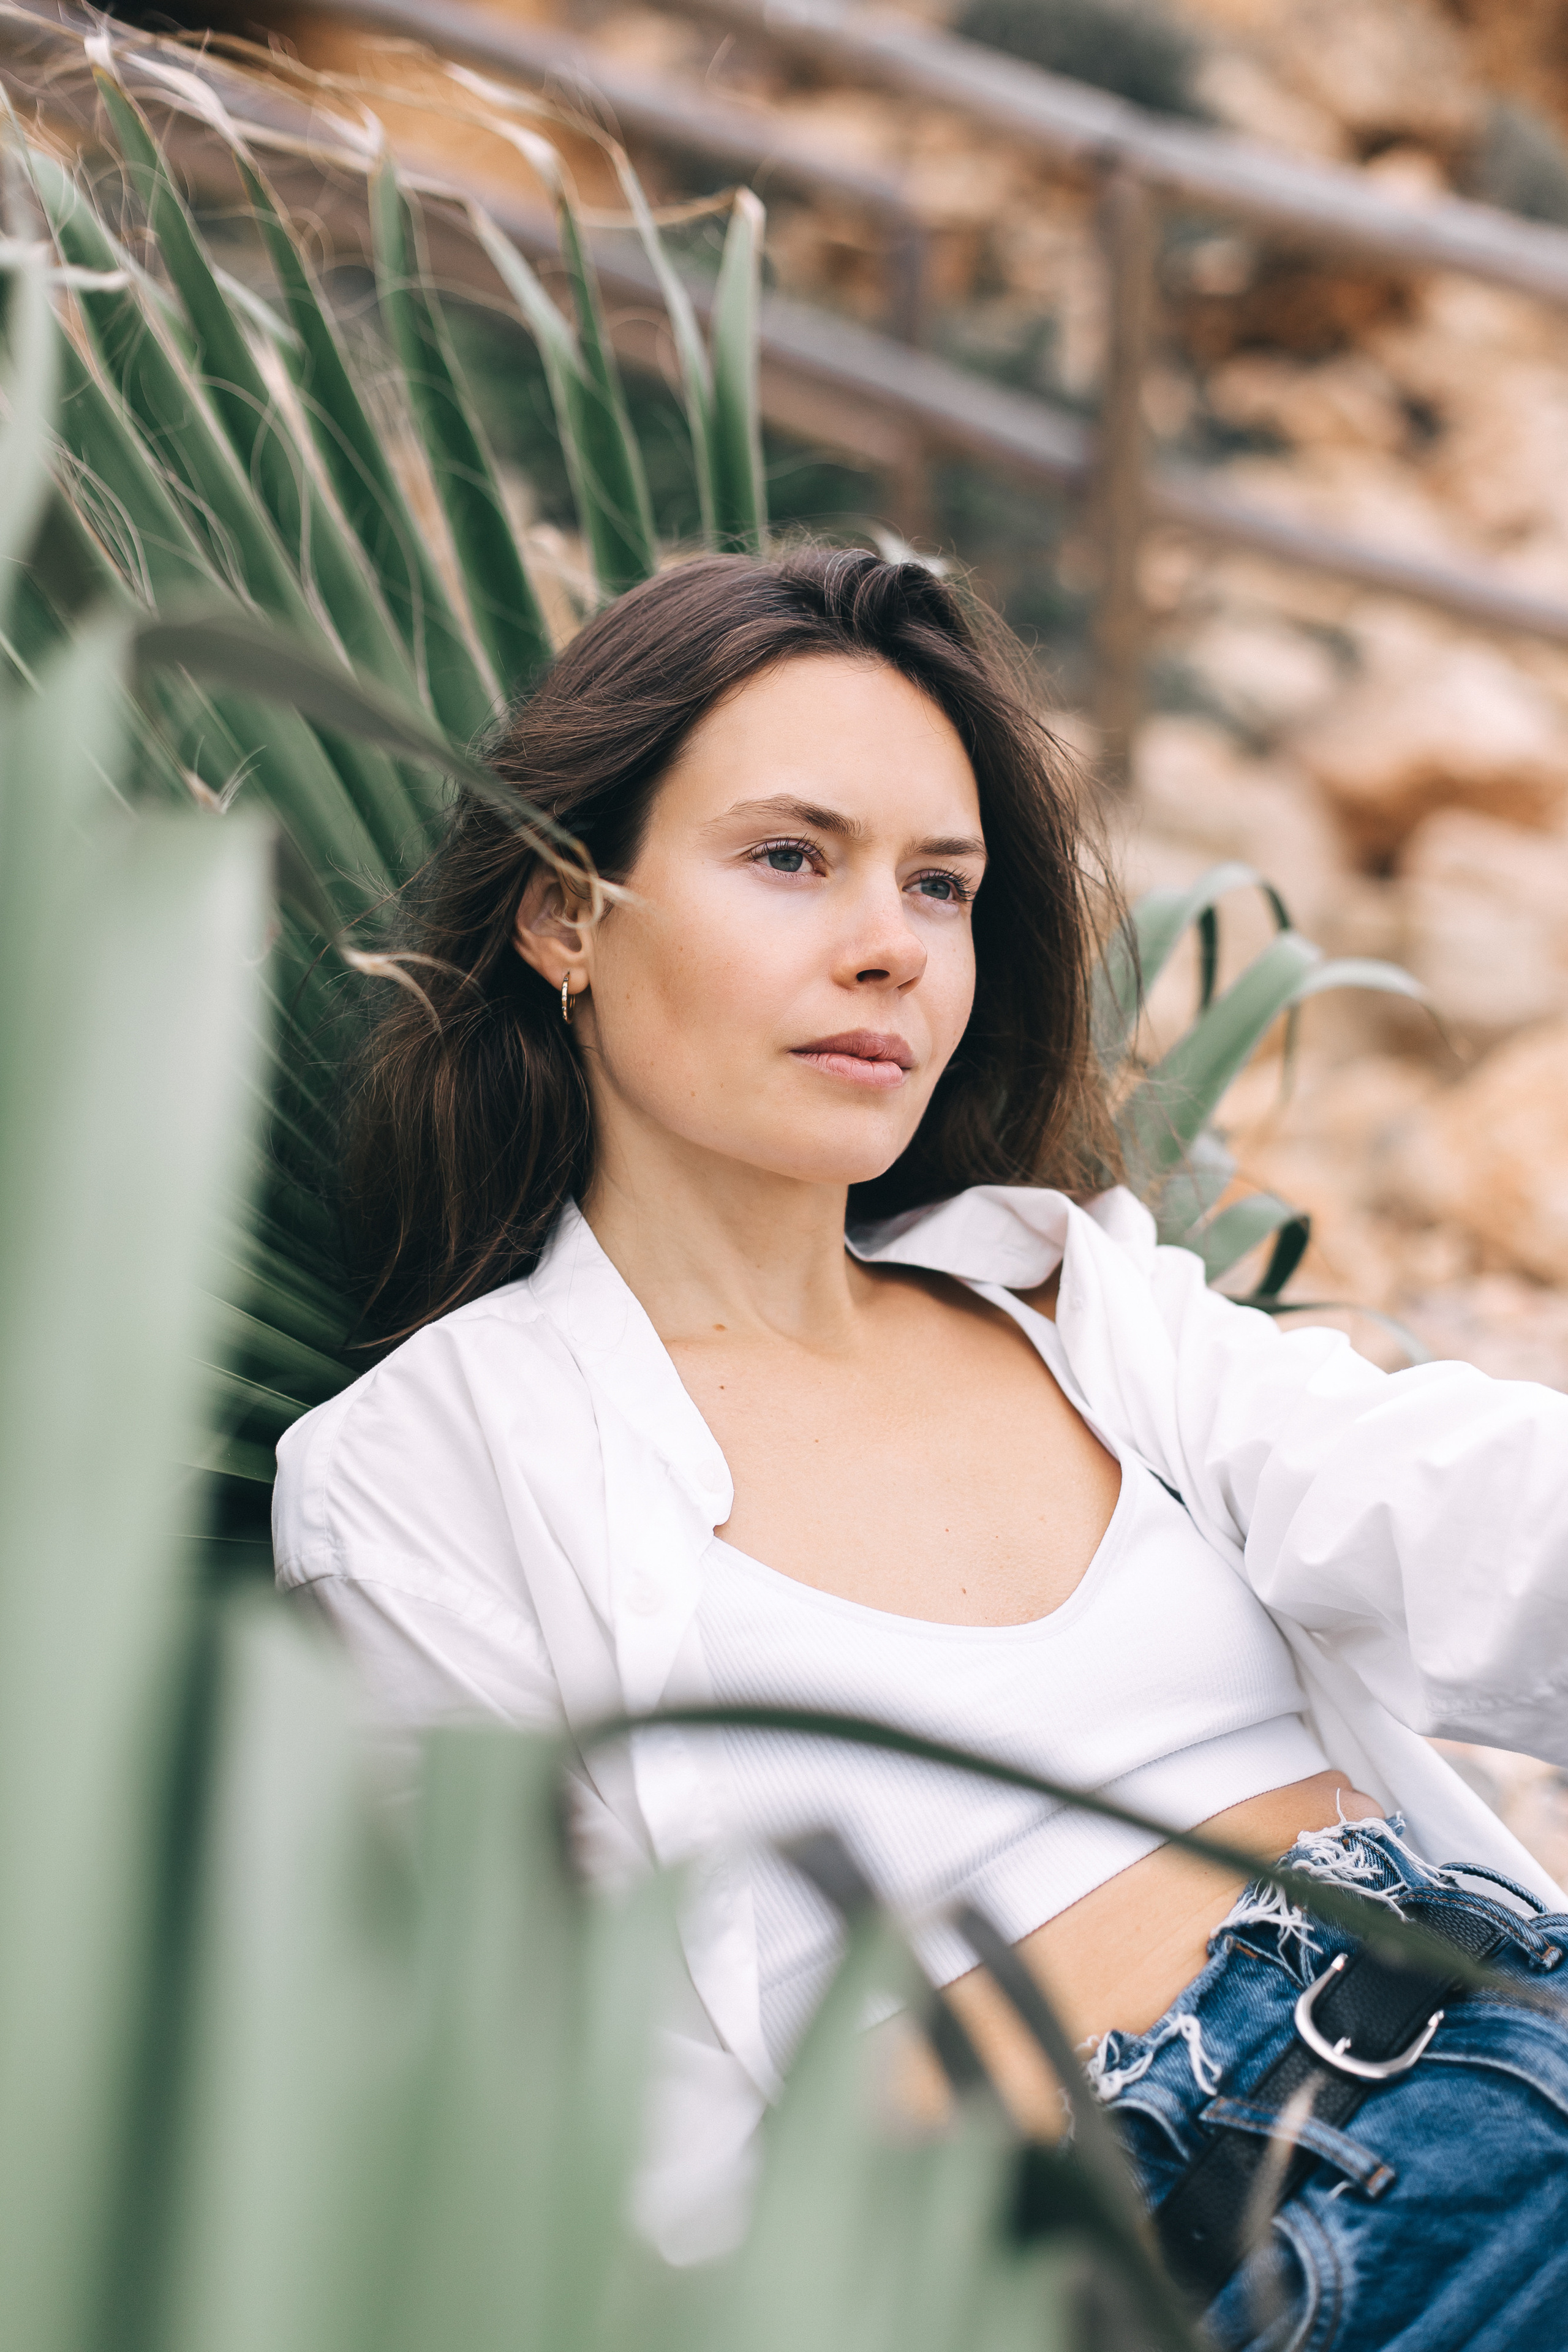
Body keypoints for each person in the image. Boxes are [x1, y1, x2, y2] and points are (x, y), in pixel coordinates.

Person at [274, 548, 1568, 2343]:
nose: (890, 942)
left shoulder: (1074, 1300)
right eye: (791, 858)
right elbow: (568, 2106)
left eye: (940, 884)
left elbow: (1468, 1512)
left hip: (1514, 2024)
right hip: (1213, 2230)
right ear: (566, 915)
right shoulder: (430, 1466)